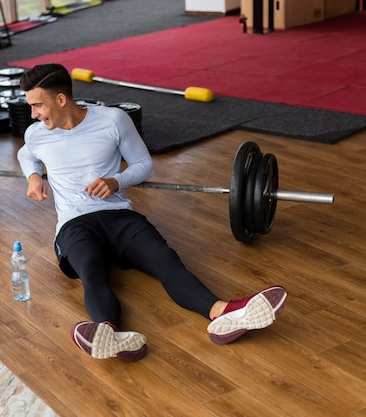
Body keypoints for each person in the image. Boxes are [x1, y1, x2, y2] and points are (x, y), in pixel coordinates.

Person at [16, 63, 287, 361]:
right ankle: (109, 333)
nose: (34, 114)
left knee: (164, 259)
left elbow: (143, 165)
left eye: (37, 105)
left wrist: (116, 180)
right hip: (74, 224)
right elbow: (26, 154)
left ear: (61, 99)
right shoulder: (36, 134)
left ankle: (223, 314)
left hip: (119, 215)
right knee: (91, 268)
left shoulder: (113, 120)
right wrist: (32, 175)